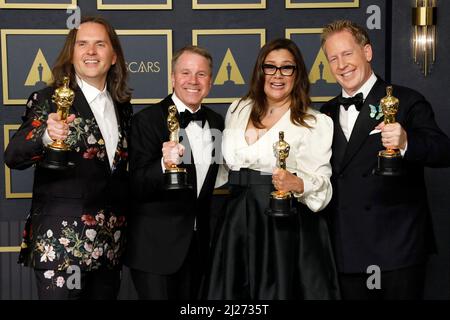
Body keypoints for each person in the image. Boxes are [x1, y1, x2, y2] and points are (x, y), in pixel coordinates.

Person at [4, 16, 133, 299]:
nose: (91, 51)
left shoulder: (122, 106)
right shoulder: (49, 99)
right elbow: (13, 155)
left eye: (100, 44)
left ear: (113, 57)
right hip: (62, 247)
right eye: (82, 44)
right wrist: (47, 136)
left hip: (109, 248)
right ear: (71, 54)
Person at [320, 20, 450, 300]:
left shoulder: (406, 100)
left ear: (367, 52)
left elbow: (443, 151)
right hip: (345, 251)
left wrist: (406, 142)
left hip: (397, 251)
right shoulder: (325, 113)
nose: (341, 65)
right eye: (333, 58)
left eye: (348, 54)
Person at [204, 38, 340, 300]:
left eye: (287, 68)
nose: (278, 75)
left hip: (282, 225)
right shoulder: (238, 109)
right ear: (260, 71)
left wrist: (297, 183)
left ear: (297, 74)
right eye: (270, 67)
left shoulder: (315, 122)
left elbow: (323, 185)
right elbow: (220, 167)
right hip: (236, 221)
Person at [124, 45, 224, 300]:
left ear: (210, 82)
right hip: (155, 251)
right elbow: (135, 184)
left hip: (199, 249)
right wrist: (162, 164)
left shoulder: (216, 122)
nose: (193, 80)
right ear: (172, 77)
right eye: (186, 73)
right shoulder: (147, 120)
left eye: (201, 74)